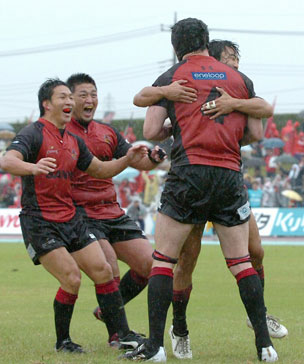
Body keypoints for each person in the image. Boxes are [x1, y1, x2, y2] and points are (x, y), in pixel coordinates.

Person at [123, 18, 278, 362]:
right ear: (208, 42)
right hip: (229, 176)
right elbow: (257, 131)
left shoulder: (174, 76)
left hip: (188, 174)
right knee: (241, 262)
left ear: (175, 46)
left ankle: (157, 347)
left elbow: (150, 127)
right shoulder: (239, 79)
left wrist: (171, 107)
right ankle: (265, 346)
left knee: (165, 260)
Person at [1, 78, 148, 353]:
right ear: (46, 104)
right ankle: (63, 342)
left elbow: (101, 170)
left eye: (70, 97)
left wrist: (128, 159)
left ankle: (122, 334)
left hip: (70, 218)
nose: (69, 102)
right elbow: (7, 161)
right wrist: (33, 168)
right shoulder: (33, 133)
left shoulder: (74, 141)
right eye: (63, 98)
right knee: (71, 277)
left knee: (103, 270)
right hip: (40, 222)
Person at [65, 73, 166, 347]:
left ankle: (108, 310)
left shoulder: (107, 131)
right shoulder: (60, 132)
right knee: (108, 267)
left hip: (112, 212)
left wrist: (153, 159)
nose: (90, 100)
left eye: (93, 94)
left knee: (150, 265)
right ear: (69, 99)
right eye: (83, 95)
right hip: (81, 216)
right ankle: (118, 335)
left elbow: (137, 162)